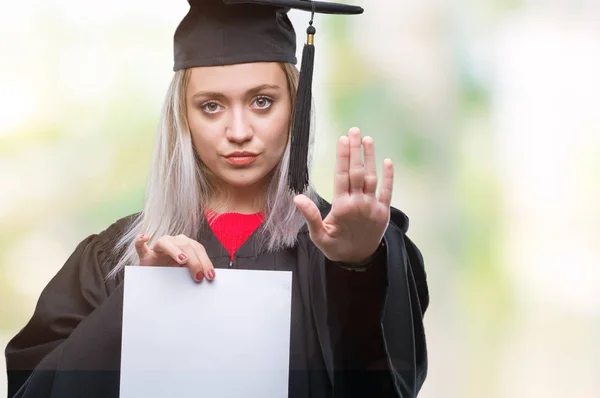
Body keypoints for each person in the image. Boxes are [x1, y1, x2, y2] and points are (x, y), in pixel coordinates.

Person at [5, 0, 429, 397]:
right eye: (211, 106)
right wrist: (141, 298)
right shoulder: (115, 259)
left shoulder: (363, 245)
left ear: (296, 107)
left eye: (263, 101)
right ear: (182, 116)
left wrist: (356, 269)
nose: (239, 130)